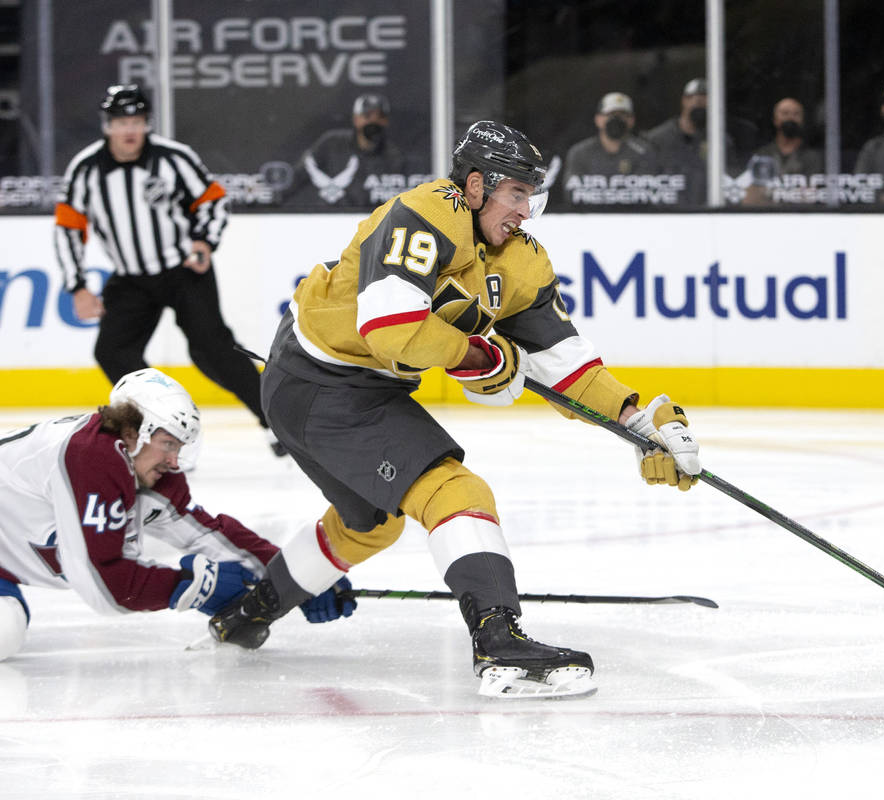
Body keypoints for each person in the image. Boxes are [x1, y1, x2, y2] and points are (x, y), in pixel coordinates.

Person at [208, 120, 702, 700]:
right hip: (322, 382)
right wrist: (480, 354)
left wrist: (636, 421)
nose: (525, 210)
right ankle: (498, 639)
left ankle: (251, 612)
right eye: (516, 194)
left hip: (330, 387)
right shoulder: (424, 213)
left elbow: (568, 369)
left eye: (531, 197)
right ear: (474, 185)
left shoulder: (520, 262)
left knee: (369, 528)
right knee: (456, 492)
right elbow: (391, 329)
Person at [0, 368, 355, 661]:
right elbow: (102, 583)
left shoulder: (143, 465)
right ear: (133, 431)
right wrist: (191, 587)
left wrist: (297, 579)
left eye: (179, 448)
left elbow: (204, 534)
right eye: (169, 443)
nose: (174, 460)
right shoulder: (90, 456)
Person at [53, 85, 282, 456]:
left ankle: (275, 421)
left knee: (212, 349)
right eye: (122, 122)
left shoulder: (173, 158)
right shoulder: (86, 170)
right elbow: (68, 228)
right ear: (107, 126)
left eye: (137, 121)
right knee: (112, 352)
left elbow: (212, 202)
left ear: (147, 124)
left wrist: (204, 242)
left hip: (183, 271)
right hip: (130, 278)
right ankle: (158, 430)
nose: (130, 130)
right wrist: (77, 285)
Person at [299, 93, 412, 207]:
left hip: (371, 219)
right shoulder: (331, 143)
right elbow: (299, 174)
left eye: (380, 116)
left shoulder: (394, 157)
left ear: (386, 121)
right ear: (356, 119)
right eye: (367, 116)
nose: (373, 121)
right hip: (330, 215)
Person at [644, 77, 731, 206]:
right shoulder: (657, 139)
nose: (698, 102)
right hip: (666, 215)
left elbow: (728, 182)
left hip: (707, 214)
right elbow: (647, 183)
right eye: (692, 98)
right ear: (684, 100)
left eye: (705, 98)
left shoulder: (720, 140)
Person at [561, 92, 658, 206]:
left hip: (634, 217)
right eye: (611, 114)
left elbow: (650, 194)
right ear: (598, 119)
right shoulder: (580, 152)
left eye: (622, 115)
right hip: (589, 218)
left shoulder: (644, 152)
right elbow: (572, 194)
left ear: (632, 120)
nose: (616, 119)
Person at [742, 97, 824, 206]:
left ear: (802, 120)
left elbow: (810, 196)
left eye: (796, 114)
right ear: (775, 120)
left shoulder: (812, 157)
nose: (790, 118)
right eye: (785, 113)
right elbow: (750, 199)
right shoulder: (762, 155)